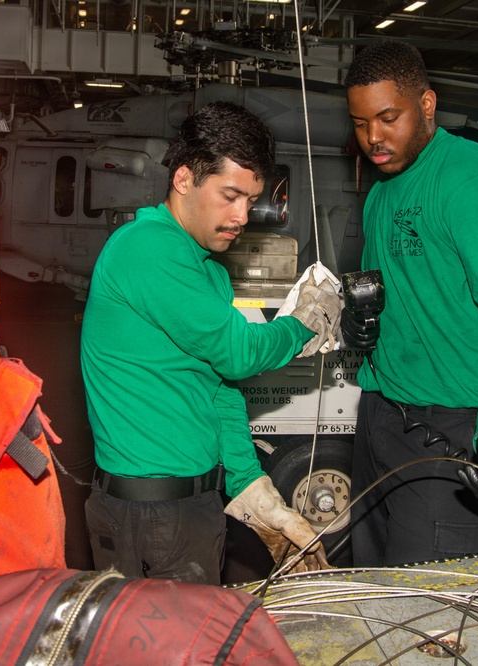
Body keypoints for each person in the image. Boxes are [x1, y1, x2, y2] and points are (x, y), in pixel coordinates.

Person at [81, 101, 340, 584]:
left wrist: (249, 487)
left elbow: (221, 390)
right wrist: (304, 324)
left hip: (192, 506)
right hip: (151, 514)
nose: (243, 215)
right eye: (230, 195)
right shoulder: (149, 248)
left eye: (251, 199)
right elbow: (239, 353)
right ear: (184, 180)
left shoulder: (208, 270)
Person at [343, 40, 478, 567]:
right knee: (366, 595)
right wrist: (360, 324)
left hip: (451, 435)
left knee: (426, 621)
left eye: (388, 118)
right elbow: (387, 287)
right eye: (361, 122)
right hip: (378, 418)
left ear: (428, 105)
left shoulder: (473, 184)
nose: (373, 138)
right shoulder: (381, 193)